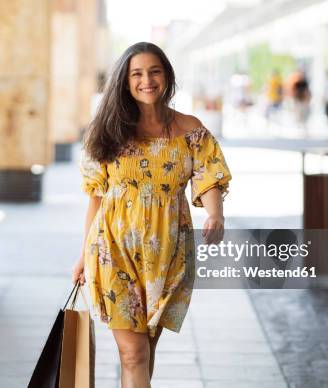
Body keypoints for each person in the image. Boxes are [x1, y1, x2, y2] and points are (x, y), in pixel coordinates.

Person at [71, 42, 231, 387]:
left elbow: (209, 176)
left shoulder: (190, 129)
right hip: (113, 249)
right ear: (125, 81)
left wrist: (215, 214)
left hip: (168, 253)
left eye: (154, 71)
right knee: (133, 354)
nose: (147, 80)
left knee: (145, 351)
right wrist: (84, 253)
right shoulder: (107, 131)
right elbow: (96, 199)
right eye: (137, 73)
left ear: (167, 76)